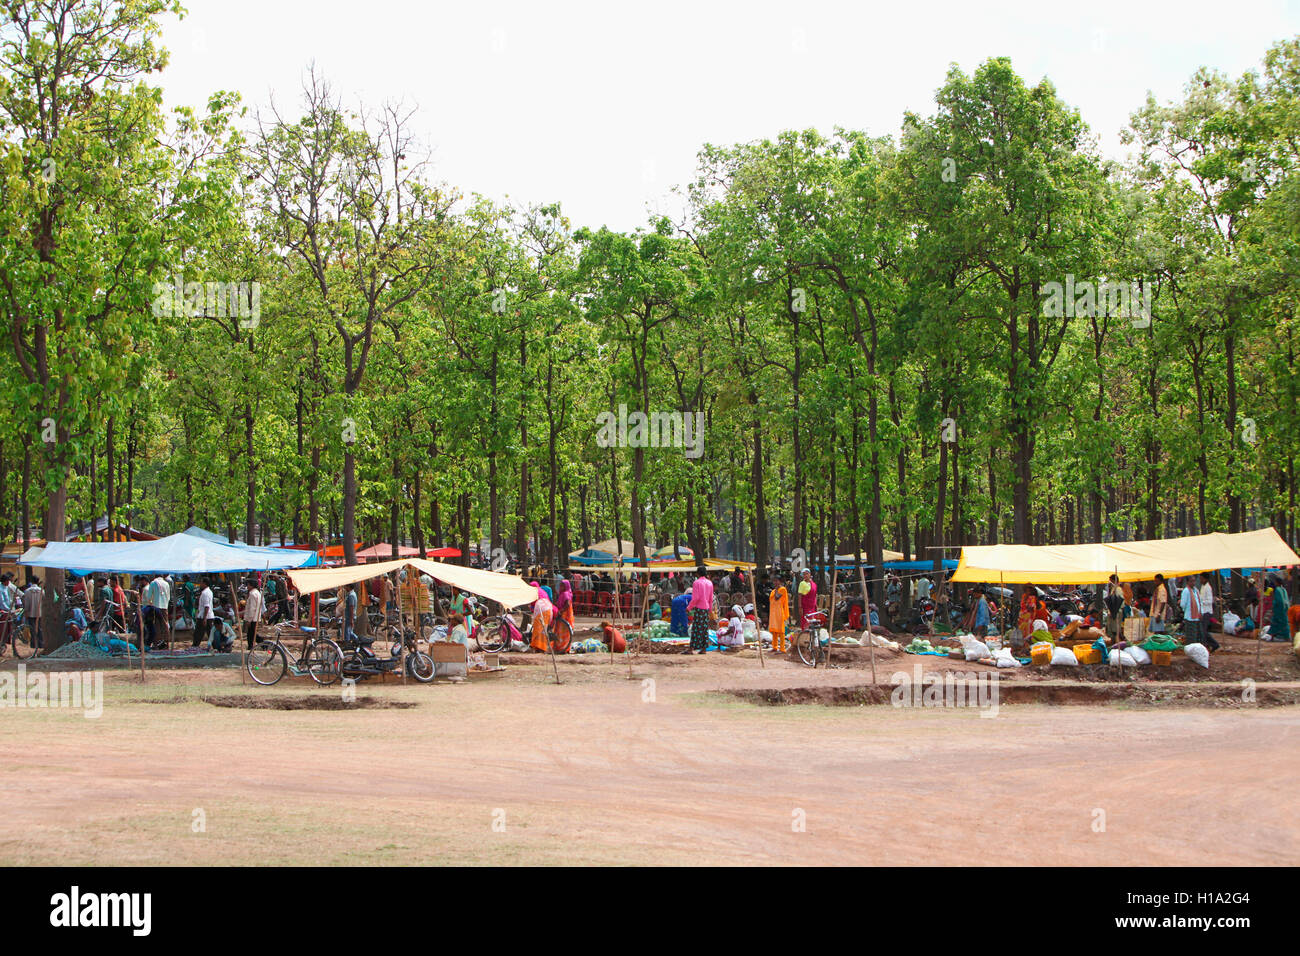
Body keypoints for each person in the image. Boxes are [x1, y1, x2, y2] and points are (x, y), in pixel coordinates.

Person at [687, 567, 715, 654]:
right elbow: (711, 598)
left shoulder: (696, 583)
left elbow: (695, 598)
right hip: (706, 608)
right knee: (704, 628)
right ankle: (703, 649)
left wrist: (689, 608)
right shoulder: (710, 583)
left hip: (699, 608)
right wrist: (710, 610)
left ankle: (691, 649)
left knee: (696, 628)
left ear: (697, 574)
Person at [1267, 573, 1292, 643]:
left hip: (1278, 610)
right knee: (1284, 624)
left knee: (1275, 623)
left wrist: (1273, 605)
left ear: (1277, 582)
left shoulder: (1277, 590)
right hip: (1284, 610)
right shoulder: (1283, 589)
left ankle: (1273, 637)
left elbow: (1278, 601)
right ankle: (1286, 637)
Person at [530, 582, 553, 653]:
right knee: (543, 629)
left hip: (541, 610)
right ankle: (541, 646)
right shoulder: (542, 591)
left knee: (538, 629)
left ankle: (539, 647)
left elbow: (533, 602)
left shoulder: (535, 592)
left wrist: (531, 608)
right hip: (548, 609)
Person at [768, 576, 790, 654]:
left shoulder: (782, 589)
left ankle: (782, 648)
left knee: (781, 630)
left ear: (780, 582)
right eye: (774, 581)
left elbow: (777, 597)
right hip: (774, 612)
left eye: (777, 581)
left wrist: (777, 588)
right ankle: (774, 647)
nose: (775, 583)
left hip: (780, 612)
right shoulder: (773, 590)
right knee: (774, 630)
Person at [21, 577, 43, 650]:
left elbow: (27, 603)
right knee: (40, 628)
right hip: (39, 613)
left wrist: (26, 611)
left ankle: (33, 644)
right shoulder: (41, 591)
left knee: (32, 629)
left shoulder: (27, 591)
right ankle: (40, 644)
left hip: (30, 612)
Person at [242, 577, 264, 650]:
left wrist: (249, 619)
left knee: (252, 633)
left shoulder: (252, 594)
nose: (247, 587)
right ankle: (252, 645)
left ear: (251, 585)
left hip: (253, 618)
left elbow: (252, 608)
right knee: (251, 633)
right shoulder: (257, 593)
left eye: (248, 585)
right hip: (256, 617)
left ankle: (262, 644)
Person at [194, 579, 215, 648]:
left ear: (205, 584)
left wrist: (204, 618)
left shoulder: (205, 593)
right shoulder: (209, 592)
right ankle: (215, 645)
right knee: (209, 632)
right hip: (208, 615)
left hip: (204, 616)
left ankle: (195, 645)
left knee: (199, 632)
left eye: (201, 583)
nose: (200, 584)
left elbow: (206, 606)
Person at [1104, 574, 1124, 642]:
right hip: (1113, 612)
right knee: (1112, 629)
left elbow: (1120, 602)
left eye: (1111, 581)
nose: (1110, 582)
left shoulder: (1118, 589)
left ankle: (1117, 642)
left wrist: (1114, 612)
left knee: (1116, 629)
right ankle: (1114, 641)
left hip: (1117, 612)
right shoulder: (1113, 589)